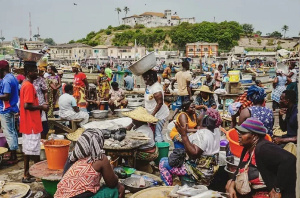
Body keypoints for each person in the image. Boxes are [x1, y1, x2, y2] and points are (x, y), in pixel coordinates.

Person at [227, 118, 296, 198]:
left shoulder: (263, 148)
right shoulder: (247, 148)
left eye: (243, 133)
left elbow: (289, 160)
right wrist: (231, 185)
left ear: (254, 136)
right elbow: (240, 167)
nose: (239, 134)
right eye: (239, 132)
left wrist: (277, 189)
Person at [55, 128, 125, 198]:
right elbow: (112, 183)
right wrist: (111, 170)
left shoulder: (72, 157)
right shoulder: (100, 158)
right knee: (114, 190)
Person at [160, 108, 221, 186]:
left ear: (204, 119)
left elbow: (194, 154)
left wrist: (184, 135)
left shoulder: (203, 134)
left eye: (200, 116)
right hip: (211, 170)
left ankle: (168, 188)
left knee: (163, 162)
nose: (198, 117)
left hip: (198, 172)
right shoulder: (216, 131)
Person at [20, 61, 49, 183]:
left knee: (28, 149)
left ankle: (27, 173)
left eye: (36, 70)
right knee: (34, 150)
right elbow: (27, 105)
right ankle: (35, 174)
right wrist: (42, 107)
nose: (36, 73)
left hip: (29, 123)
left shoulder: (26, 84)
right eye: (34, 71)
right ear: (28, 72)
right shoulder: (28, 86)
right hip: (31, 123)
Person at [123, 107, 158, 172]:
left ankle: (134, 166)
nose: (132, 119)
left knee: (126, 153)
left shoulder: (143, 131)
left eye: (134, 119)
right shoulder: (139, 126)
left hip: (148, 152)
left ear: (138, 120)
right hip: (148, 148)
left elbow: (134, 144)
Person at [142, 70, 169, 142]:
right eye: (144, 77)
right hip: (152, 114)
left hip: (159, 115)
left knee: (157, 134)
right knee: (153, 132)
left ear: (152, 78)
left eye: (146, 78)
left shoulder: (156, 88)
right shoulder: (148, 85)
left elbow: (160, 103)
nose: (145, 79)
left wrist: (152, 115)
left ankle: (160, 149)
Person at [0, 60, 19, 164]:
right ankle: (13, 154)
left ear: (2, 69)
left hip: (6, 109)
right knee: (13, 132)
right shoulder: (12, 77)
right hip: (12, 108)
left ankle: (13, 156)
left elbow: (6, 96)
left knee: (9, 133)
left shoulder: (6, 80)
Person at [33, 66, 49, 139]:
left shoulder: (41, 80)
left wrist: (46, 102)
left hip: (41, 104)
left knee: (43, 124)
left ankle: (42, 140)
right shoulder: (27, 81)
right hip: (32, 105)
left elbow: (45, 92)